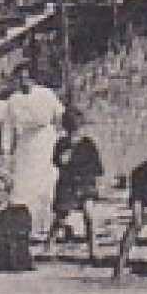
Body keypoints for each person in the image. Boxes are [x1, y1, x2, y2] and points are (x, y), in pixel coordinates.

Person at [2, 64, 64, 235]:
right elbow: (8, 127)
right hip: (25, 144)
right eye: (20, 79)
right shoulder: (13, 100)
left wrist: (60, 137)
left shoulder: (46, 94)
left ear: (33, 79)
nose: (23, 82)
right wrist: (7, 150)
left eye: (26, 78)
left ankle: (45, 224)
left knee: (45, 181)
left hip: (45, 140)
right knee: (23, 183)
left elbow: (59, 115)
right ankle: (25, 223)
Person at [47, 108, 104, 265]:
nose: (76, 131)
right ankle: (49, 244)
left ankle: (93, 250)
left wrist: (95, 182)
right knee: (61, 217)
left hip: (85, 183)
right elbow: (57, 162)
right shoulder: (62, 143)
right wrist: (65, 155)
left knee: (89, 216)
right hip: (67, 184)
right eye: (72, 128)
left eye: (78, 127)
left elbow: (98, 167)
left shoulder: (88, 144)